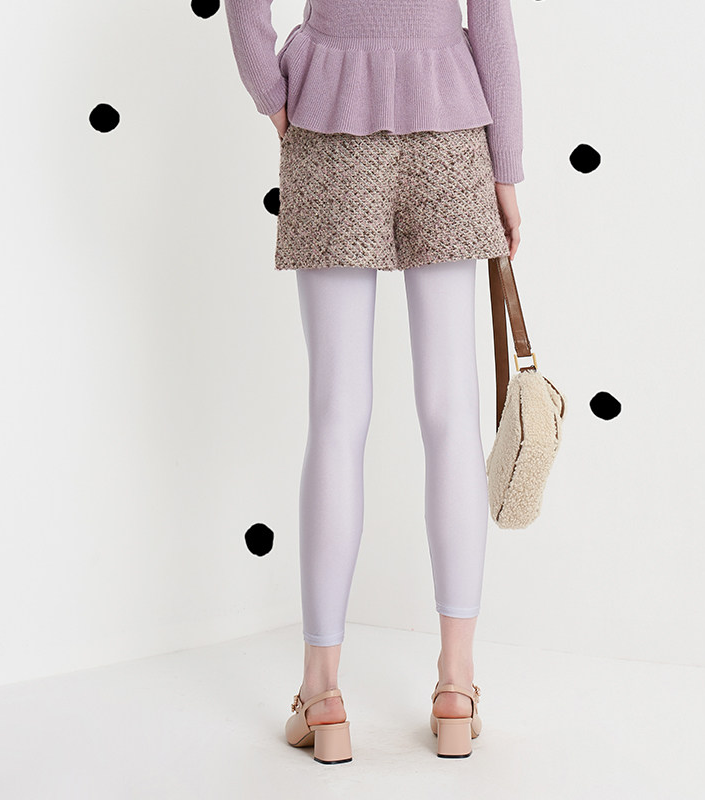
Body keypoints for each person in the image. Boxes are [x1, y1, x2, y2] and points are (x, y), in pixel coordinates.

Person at [223, 0, 523, 761]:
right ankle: (457, 685)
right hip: (450, 116)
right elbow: (491, 19)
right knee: (452, 412)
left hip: (329, 110)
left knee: (336, 414)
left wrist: (271, 89)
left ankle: (322, 694)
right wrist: (507, 166)